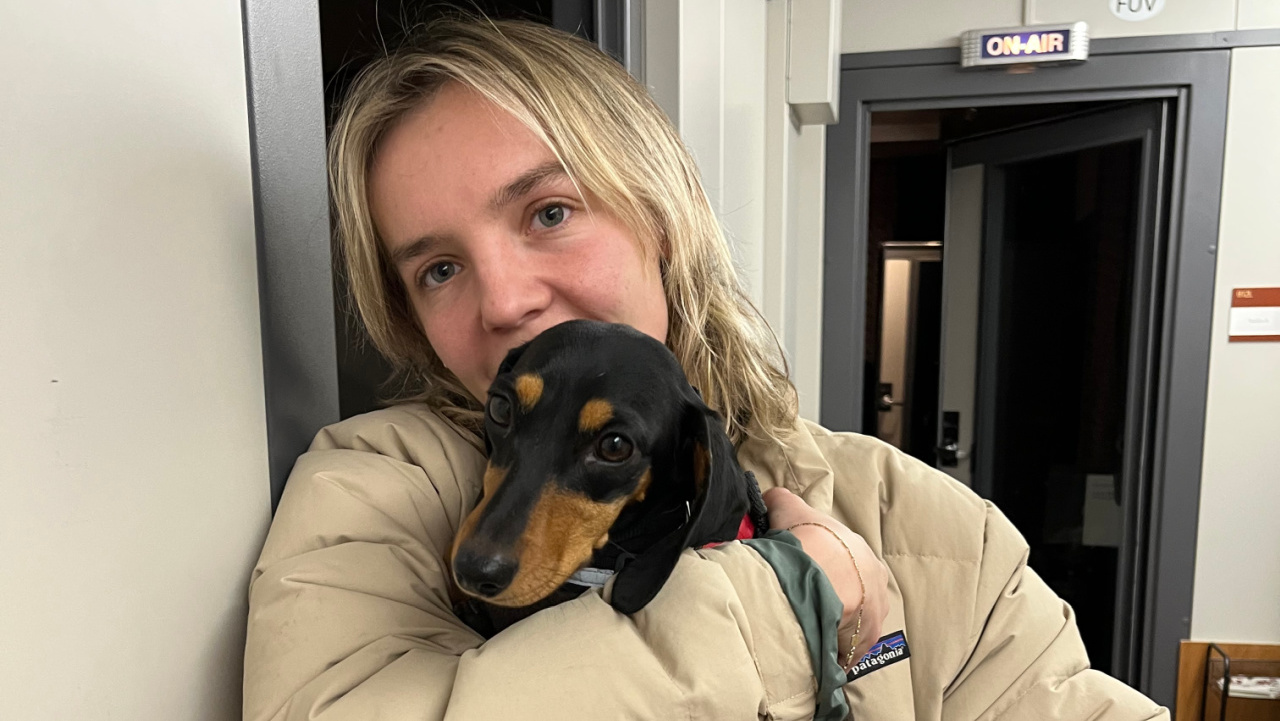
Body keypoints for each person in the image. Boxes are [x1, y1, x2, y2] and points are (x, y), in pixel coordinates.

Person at [243, 16, 1168, 721]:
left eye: (549, 212)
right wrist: (788, 596)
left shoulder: (935, 532)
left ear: (662, 213)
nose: (505, 298)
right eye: (438, 267)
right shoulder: (373, 494)